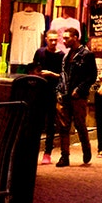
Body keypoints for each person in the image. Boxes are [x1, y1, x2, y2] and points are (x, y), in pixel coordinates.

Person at [56, 28, 96, 167]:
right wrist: (59, 91)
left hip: (78, 96)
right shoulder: (66, 56)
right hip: (65, 95)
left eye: (67, 38)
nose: (64, 41)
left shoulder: (86, 55)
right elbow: (63, 75)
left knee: (80, 124)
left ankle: (86, 149)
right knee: (63, 126)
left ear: (76, 37)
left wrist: (79, 89)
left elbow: (92, 76)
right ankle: (64, 156)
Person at [33, 30, 64, 164]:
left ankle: (47, 152)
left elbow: (63, 75)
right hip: (39, 90)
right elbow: (33, 68)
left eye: (55, 40)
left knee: (51, 122)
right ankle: (33, 151)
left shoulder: (61, 55)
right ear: (46, 39)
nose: (53, 42)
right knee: (36, 121)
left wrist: (51, 74)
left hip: (52, 91)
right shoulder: (40, 52)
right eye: (50, 40)